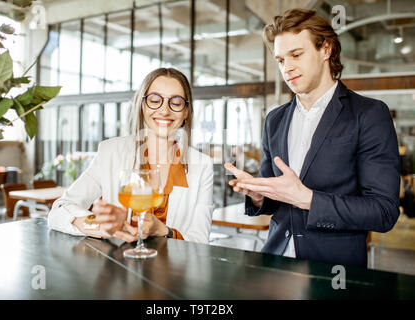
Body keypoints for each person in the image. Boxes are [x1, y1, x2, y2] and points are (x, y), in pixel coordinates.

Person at [225, 9, 400, 267]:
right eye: (281, 60)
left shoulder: (369, 114)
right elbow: (275, 197)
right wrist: (259, 194)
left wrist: (306, 199)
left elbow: (383, 211)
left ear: (326, 49)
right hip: (274, 262)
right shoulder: (274, 120)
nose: (287, 68)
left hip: (333, 271)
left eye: (296, 55)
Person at [48, 68, 214, 244]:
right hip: (119, 266)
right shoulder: (110, 152)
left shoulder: (202, 165)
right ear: (142, 106)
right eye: (155, 100)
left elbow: (199, 240)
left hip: (173, 269)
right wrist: (101, 226)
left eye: (177, 102)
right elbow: (59, 210)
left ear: (186, 112)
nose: (165, 111)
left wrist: (163, 230)